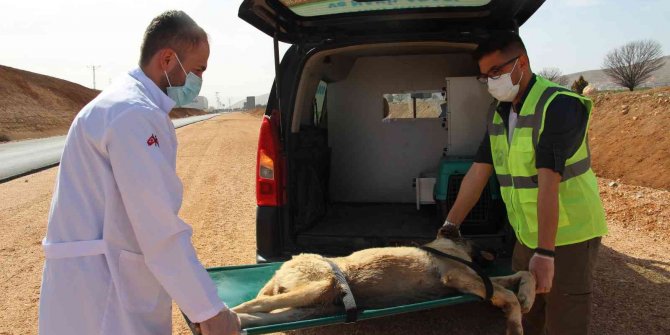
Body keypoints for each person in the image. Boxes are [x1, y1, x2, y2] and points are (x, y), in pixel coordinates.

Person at [38, 10, 240, 335]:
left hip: (91, 285)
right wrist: (209, 310)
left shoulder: (125, 105)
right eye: (198, 70)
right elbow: (158, 226)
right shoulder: (133, 114)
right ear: (168, 59)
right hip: (102, 295)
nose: (200, 80)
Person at [442, 32, 608, 334]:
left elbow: (549, 182)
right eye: (484, 76)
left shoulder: (559, 105)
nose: (491, 81)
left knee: (563, 319)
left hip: (569, 237)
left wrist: (546, 253)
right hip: (527, 234)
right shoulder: (499, 114)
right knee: (524, 314)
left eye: (496, 72)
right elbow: (478, 173)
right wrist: (449, 227)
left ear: (522, 62)